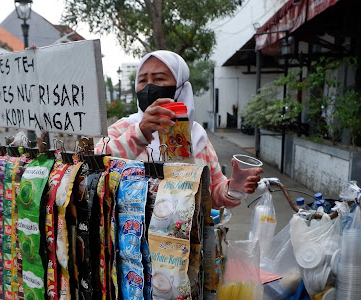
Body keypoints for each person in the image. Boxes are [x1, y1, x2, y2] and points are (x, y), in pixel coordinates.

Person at [95, 50, 262, 208]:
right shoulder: (124, 128)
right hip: (132, 235)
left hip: (185, 236)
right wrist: (140, 134)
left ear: (180, 86)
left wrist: (233, 187)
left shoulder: (197, 137)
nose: (150, 87)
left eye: (159, 79)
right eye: (142, 80)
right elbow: (92, 167)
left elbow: (211, 194)